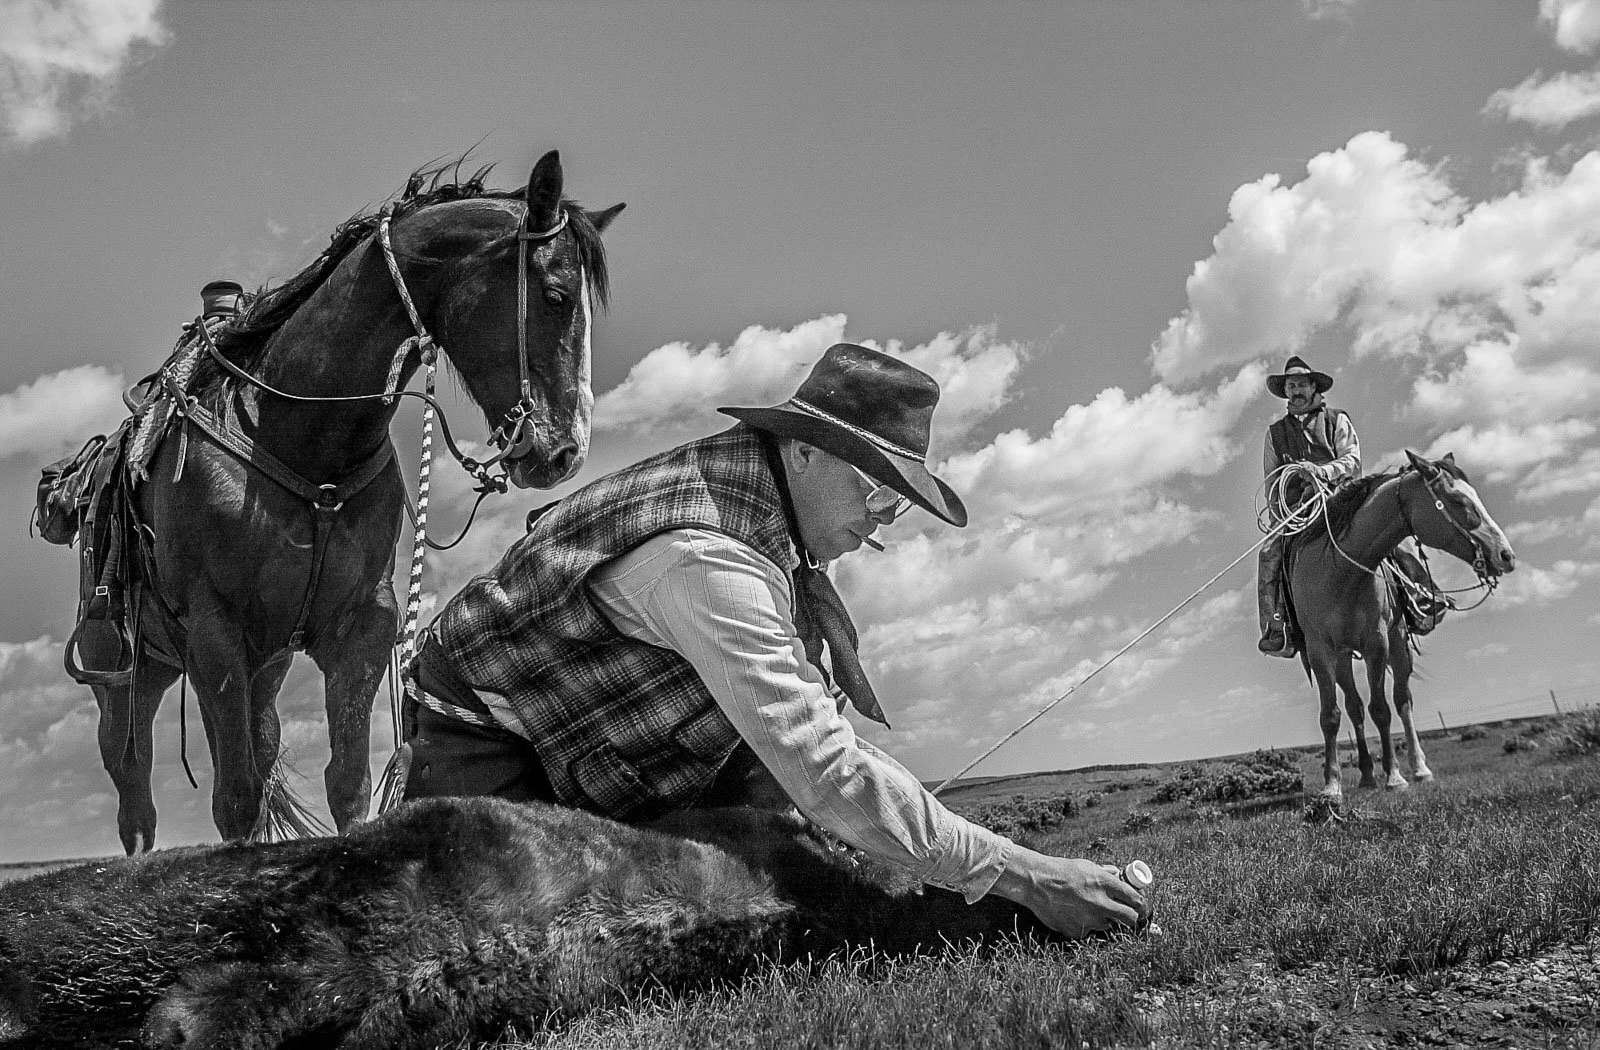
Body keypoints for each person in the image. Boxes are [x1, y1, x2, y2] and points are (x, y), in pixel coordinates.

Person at [400, 342, 1146, 939]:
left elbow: (813, 743)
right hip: (489, 737)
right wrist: (1027, 873)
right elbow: (824, 767)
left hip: (621, 743)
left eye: (901, 496)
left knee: (787, 860)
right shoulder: (709, 560)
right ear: (803, 452)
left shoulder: (759, 523)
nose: (887, 513)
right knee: (498, 939)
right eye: (877, 484)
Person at [1258, 355, 1361, 657]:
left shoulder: (1336, 419)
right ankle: (1276, 627)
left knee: (1385, 519)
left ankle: (1418, 595)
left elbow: (1353, 460)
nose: (1296, 390)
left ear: (1314, 386)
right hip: (1296, 512)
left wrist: (1322, 471)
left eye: (1302, 383)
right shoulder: (1274, 434)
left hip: (1339, 498)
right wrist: (1281, 515)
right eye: (1291, 386)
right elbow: (1271, 482)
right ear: (1285, 391)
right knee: (1269, 553)